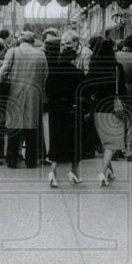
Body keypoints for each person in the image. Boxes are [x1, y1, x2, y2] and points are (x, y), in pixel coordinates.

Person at [0, 31, 48, 169]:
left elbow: (4, 71)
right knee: (31, 128)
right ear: (32, 41)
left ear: (20, 41)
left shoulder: (13, 52)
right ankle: (31, 161)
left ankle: (12, 160)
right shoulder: (40, 54)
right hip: (33, 94)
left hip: (15, 93)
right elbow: (45, 75)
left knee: (14, 127)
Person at [81, 38, 126, 187]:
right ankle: (102, 171)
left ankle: (110, 172)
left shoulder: (94, 68)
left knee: (106, 142)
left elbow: (85, 88)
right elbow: (123, 89)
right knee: (111, 144)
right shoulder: (117, 67)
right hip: (112, 108)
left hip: (97, 108)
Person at [45, 37, 86, 187]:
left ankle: (53, 172)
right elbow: (82, 93)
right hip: (71, 110)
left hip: (56, 111)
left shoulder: (53, 72)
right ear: (73, 58)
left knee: (56, 141)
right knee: (75, 142)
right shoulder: (78, 74)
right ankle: (74, 172)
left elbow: (48, 91)